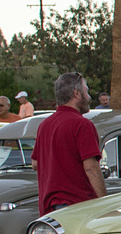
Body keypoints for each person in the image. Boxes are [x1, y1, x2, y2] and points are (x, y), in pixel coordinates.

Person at [31, 72, 106, 216]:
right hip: (76, 206)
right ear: (77, 94)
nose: (89, 97)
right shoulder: (82, 124)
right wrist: (104, 203)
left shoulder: (44, 125)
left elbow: (35, 163)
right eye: (87, 92)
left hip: (48, 207)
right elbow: (91, 168)